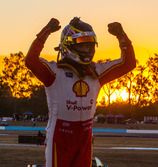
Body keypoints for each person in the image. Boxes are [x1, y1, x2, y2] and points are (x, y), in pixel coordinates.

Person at [25, 17, 136, 167]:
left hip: (85, 135)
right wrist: (45, 32)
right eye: (83, 45)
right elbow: (31, 61)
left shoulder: (96, 72)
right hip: (60, 136)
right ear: (67, 45)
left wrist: (122, 36)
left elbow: (128, 63)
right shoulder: (54, 72)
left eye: (91, 45)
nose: (88, 50)